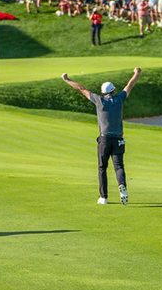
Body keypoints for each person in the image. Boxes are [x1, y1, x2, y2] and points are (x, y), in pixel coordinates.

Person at [61, 68, 142, 205]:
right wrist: (137, 73)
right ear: (113, 91)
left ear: (103, 92)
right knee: (119, 166)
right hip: (118, 139)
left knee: (102, 167)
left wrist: (67, 80)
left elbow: (82, 89)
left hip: (104, 139)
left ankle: (103, 197)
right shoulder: (119, 99)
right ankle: (122, 185)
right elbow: (129, 85)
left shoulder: (99, 100)